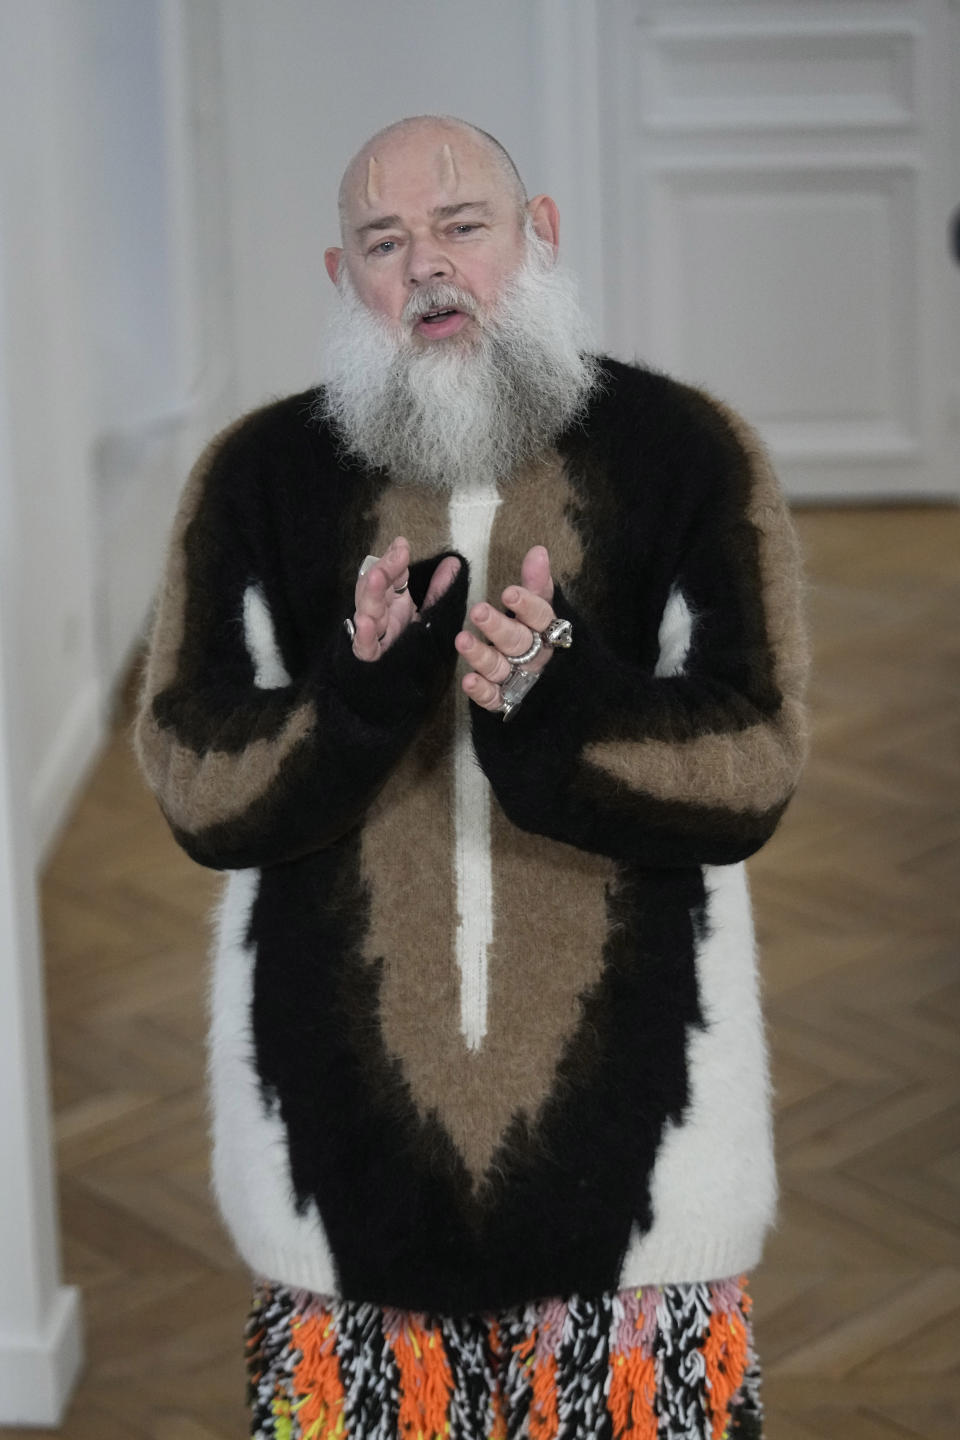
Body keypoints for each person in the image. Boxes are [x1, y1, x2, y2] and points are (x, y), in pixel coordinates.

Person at [136, 114, 808, 1440]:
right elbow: (194, 786)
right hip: (341, 1182)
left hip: (650, 1186)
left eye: (462, 225)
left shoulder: (687, 456)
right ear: (344, 277)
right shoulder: (256, 480)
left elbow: (757, 766)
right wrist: (360, 700)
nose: (428, 266)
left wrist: (565, 708)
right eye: (385, 242)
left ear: (538, 235)